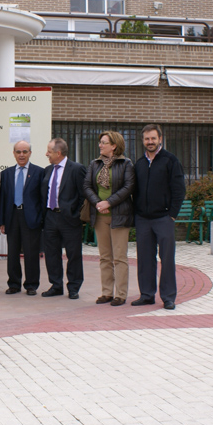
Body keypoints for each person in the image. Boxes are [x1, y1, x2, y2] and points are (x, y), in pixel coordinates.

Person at [132, 123, 186, 310]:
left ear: (160, 139)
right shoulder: (139, 163)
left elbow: (179, 190)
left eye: (153, 138)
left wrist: (172, 215)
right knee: (145, 260)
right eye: (147, 139)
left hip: (164, 218)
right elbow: (135, 192)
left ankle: (168, 297)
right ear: (143, 140)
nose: (150, 142)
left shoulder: (171, 161)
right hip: (143, 219)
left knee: (167, 258)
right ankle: (147, 295)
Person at [82, 130, 136, 307]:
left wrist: (109, 203)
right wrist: (98, 203)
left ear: (114, 145)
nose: (100, 145)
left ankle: (120, 294)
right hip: (99, 215)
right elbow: (87, 186)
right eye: (100, 142)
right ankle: (106, 292)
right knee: (105, 256)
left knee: (119, 257)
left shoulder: (126, 164)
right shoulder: (94, 164)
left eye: (104, 142)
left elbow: (128, 187)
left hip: (119, 215)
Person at [40, 138, 87, 299]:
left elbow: (83, 195)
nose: (47, 154)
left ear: (58, 153)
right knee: (51, 253)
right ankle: (56, 285)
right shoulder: (48, 170)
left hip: (69, 219)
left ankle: (74, 287)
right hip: (51, 216)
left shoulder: (77, 169)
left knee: (73, 254)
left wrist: (75, 214)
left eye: (49, 151)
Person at [0, 140, 44, 295]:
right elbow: (3, 198)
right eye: (18, 152)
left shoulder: (39, 172)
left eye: (25, 151)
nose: (22, 155)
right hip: (12, 217)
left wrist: (41, 220)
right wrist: (2, 221)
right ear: (14, 153)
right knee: (12, 253)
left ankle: (31, 285)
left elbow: (42, 198)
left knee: (31, 253)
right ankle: (14, 284)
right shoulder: (6, 173)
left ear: (30, 153)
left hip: (31, 218)